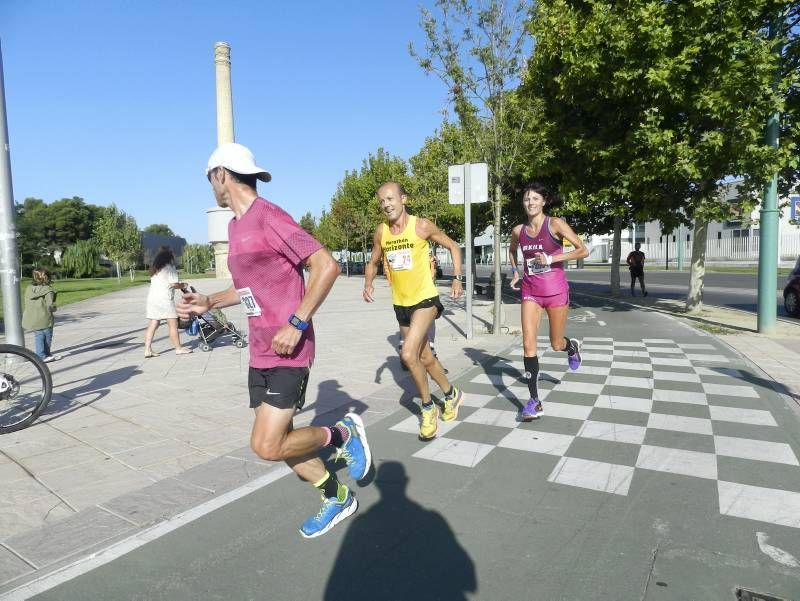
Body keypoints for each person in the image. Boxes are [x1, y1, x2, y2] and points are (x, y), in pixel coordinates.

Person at [177, 142, 371, 538]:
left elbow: (326, 266)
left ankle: (344, 433)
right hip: (260, 349)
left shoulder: (269, 217)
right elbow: (249, 286)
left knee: (265, 446)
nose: (210, 186)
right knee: (281, 442)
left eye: (209, 179)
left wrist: (297, 323)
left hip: (289, 348)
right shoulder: (235, 225)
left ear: (221, 175)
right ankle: (336, 497)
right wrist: (209, 301)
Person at [363, 182, 464, 441]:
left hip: (425, 299)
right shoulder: (381, 232)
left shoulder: (421, 226)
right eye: (382, 201)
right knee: (425, 358)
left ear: (403, 199)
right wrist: (368, 282)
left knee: (408, 354)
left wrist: (457, 278)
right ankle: (451, 394)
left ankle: (427, 407)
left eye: (390, 198)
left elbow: (453, 246)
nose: (386, 204)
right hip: (401, 303)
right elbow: (374, 260)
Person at [508, 182, 589, 421]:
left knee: (555, 344)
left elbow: (582, 250)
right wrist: (514, 271)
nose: (530, 203)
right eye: (526, 199)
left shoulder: (555, 224)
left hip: (555, 292)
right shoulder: (517, 231)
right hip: (530, 291)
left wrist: (553, 258)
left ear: (544, 201)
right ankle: (534, 401)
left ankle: (571, 347)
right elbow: (512, 251)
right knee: (528, 344)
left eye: (535, 199)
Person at [144, 247, 192, 357]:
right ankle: (178, 348)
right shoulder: (170, 268)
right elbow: (174, 284)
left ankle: (147, 349)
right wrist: (184, 285)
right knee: (173, 324)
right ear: (169, 257)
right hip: (164, 299)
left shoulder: (155, 269)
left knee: (153, 323)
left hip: (152, 299)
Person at [22, 268, 58, 362]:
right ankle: (43, 355)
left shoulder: (29, 288)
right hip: (45, 318)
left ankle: (44, 355)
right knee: (47, 337)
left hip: (32, 318)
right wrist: (54, 308)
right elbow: (50, 305)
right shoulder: (48, 290)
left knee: (39, 336)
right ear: (47, 278)